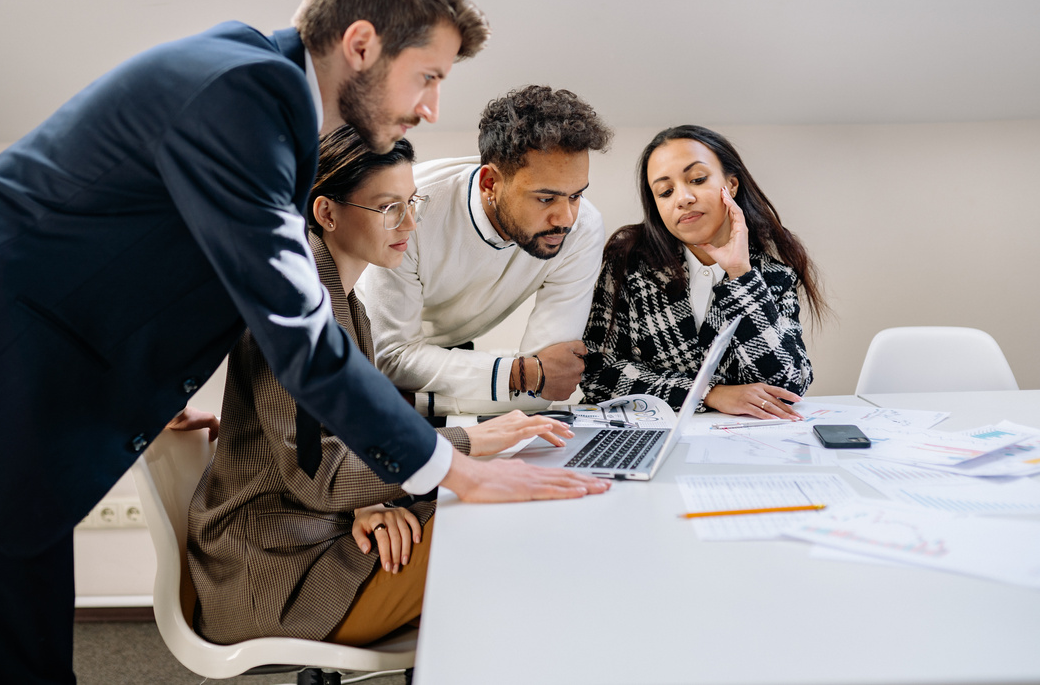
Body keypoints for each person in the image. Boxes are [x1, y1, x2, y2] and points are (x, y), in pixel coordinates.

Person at [0, 0, 605, 684]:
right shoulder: (242, 96)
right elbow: (297, 334)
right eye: (426, 76)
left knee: (18, 660)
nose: (430, 105)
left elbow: (137, 259)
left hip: (4, 374)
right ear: (361, 45)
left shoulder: (255, 93)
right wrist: (451, 468)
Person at [187, 126, 573, 646]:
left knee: (498, 510)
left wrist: (370, 503)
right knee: (503, 526)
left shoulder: (346, 305)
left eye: (413, 203)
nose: (411, 223)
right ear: (327, 213)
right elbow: (315, 471)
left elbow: (345, 436)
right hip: (278, 576)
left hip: (318, 534)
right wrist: (469, 445)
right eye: (390, 208)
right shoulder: (298, 316)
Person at [358, 85, 613, 418]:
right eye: (546, 198)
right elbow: (388, 357)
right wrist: (520, 374)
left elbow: (549, 382)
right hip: (355, 357)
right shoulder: (409, 209)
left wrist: (421, 403)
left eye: (576, 195)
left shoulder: (583, 229)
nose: (565, 219)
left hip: (449, 359)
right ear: (490, 184)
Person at [582, 125, 827, 418]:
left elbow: (787, 385)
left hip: (741, 444)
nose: (682, 198)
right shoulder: (629, 260)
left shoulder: (773, 267)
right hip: (650, 438)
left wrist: (741, 274)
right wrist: (707, 393)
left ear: (732, 184)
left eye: (697, 179)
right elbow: (597, 374)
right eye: (665, 191)